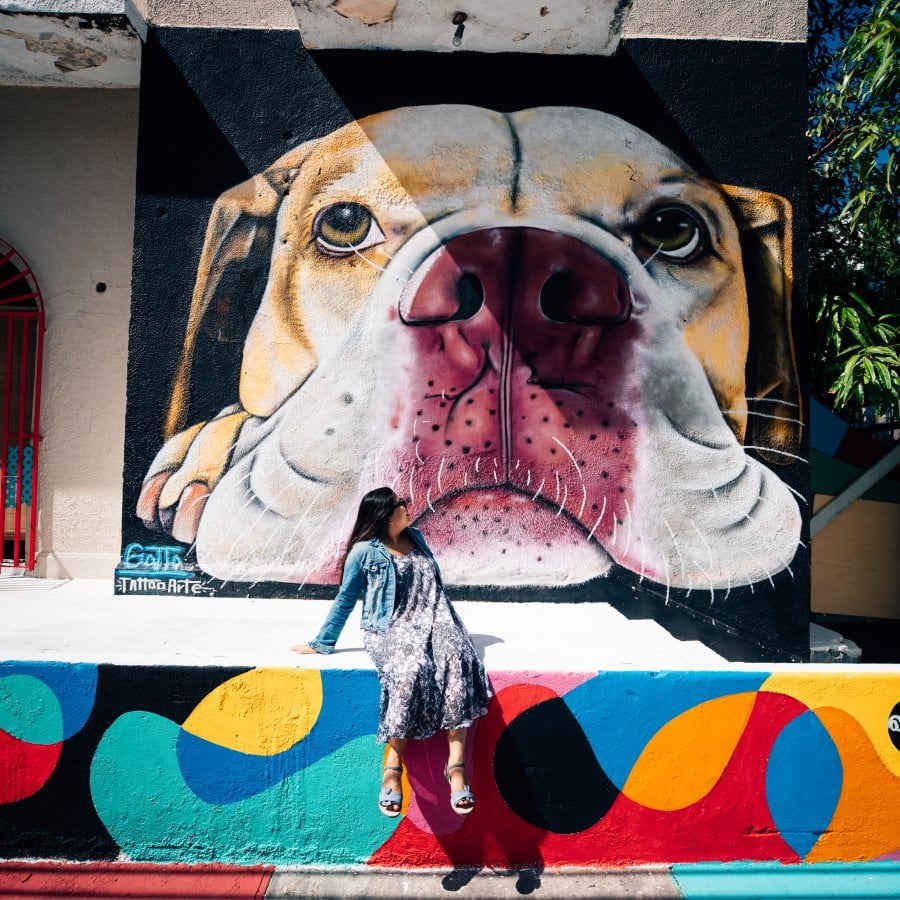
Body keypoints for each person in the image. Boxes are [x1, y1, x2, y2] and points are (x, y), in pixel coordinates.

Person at [292, 487, 491, 817]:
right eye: (401, 504)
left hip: (437, 619)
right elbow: (346, 597)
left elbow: (432, 587)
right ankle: (392, 765)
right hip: (389, 628)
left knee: (458, 661)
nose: (407, 506)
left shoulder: (417, 538)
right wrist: (322, 642)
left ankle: (455, 766)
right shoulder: (363, 552)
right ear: (385, 514)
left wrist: (443, 627)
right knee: (411, 669)